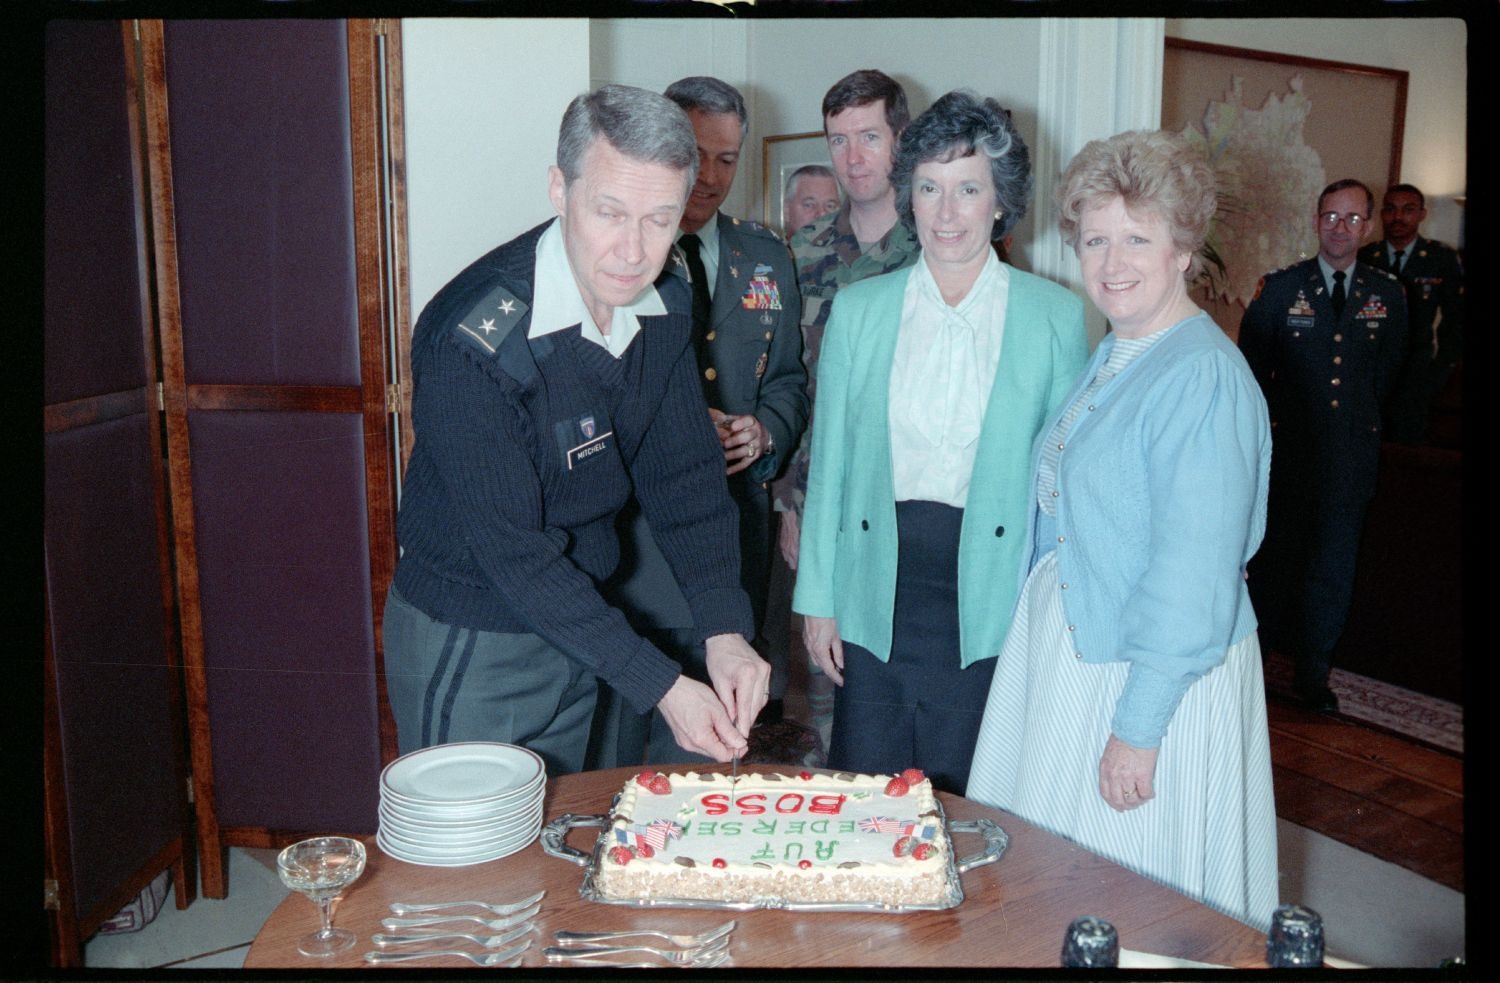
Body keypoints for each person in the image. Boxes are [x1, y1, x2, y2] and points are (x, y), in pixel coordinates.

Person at [383, 84, 769, 775]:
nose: (632, 250)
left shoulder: (668, 298)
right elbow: (514, 553)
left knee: (556, 849)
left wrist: (724, 628)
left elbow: (684, 476)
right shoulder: (470, 339)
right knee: (471, 864)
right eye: (609, 212)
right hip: (475, 629)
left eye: (660, 218)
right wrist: (661, 686)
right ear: (560, 188)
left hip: (582, 619)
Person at [966, 129, 1278, 930]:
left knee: (1127, 898)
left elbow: (1196, 569)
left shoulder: (1201, 373)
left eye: (1137, 237)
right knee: (1056, 885)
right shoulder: (1117, 353)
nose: (1111, 261)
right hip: (1081, 647)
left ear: (1183, 249)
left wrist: (1137, 731)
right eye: (1095, 237)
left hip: (1148, 675)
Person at [793, 91, 1088, 794]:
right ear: (909, 197)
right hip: (875, 585)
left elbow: (1065, 487)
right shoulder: (862, 311)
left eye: (967, 189)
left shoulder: (1055, 317)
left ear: (1000, 201)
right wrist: (818, 598)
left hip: (990, 590)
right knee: (866, 793)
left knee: (971, 794)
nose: (946, 212)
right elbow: (829, 464)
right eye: (929, 188)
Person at [589, 76, 808, 767]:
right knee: (632, 740)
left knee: (725, 743)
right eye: (698, 155)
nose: (710, 177)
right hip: (638, 542)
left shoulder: (765, 255)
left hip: (736, 530)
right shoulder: (617, 258)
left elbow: (793, 380)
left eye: (728, 159)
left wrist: (766, 428)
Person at [770, 69, 922, 762]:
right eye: (839, 140)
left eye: (869, 137)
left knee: (909, 679)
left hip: (913, 503)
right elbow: (786, 388)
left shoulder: (939, 251)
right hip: (822, 504)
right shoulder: (798, 256)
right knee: (827, 679)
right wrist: (790, 503)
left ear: (901, 140)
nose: (854, 156)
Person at [1240, 179, 1408, 712]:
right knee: (1273, 567)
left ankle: (1313, 678)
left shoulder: (1386, 296)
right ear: (1316, 222)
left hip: (1348, 464)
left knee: (1333, 571)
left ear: (1369, 226)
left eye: (1353, 219)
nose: (1341, 228)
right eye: (1331, 217)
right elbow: (1252, 374)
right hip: (1288, 459)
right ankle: (1252, 673)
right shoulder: (1283, 290)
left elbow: (1386, 377)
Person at [1357, 183, 1463, 444]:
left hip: (1417, 373)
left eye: (1408, 210)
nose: (1398, 217)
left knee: (1407, 448)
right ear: (1381, 214)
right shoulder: (1366, 257)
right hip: (1370, 370)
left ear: (1422, 214)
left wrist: (1440, 370)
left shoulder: (1440, 258)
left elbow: (1455, 320)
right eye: (1391, 209)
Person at [782, 163, 840, 240]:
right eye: (809, 205)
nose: (822, 215)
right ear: (787, 211)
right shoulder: (769, 251)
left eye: (830, 206)